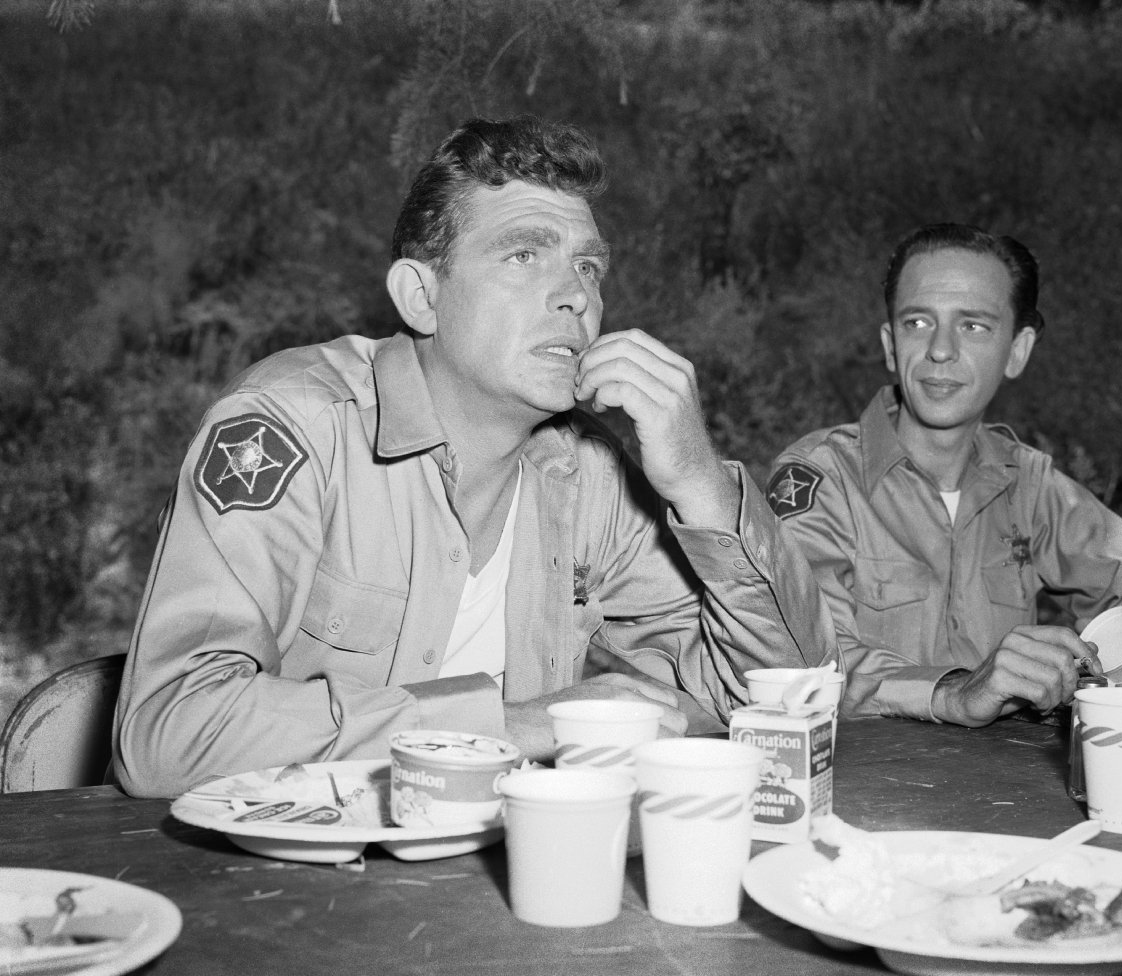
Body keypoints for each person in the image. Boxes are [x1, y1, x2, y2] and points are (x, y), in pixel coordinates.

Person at [113, 115, 836, 798]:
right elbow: (168, 733)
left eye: (588, 267)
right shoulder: (296, 426)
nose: (574, 297)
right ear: (421, 298)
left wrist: (702, 486)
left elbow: (780, 700)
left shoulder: (588, 475)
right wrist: (518, 723)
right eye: (524, 255)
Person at [766, 223, 1122, 727]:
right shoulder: (821, 479)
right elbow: (798, 660)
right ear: (890, 345)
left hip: (1003, 792)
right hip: (861, 788)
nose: (941, 350)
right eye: (917, 323)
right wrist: (952, 691)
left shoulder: (1027, 485)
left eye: (973, 325)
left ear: (1017, 350)